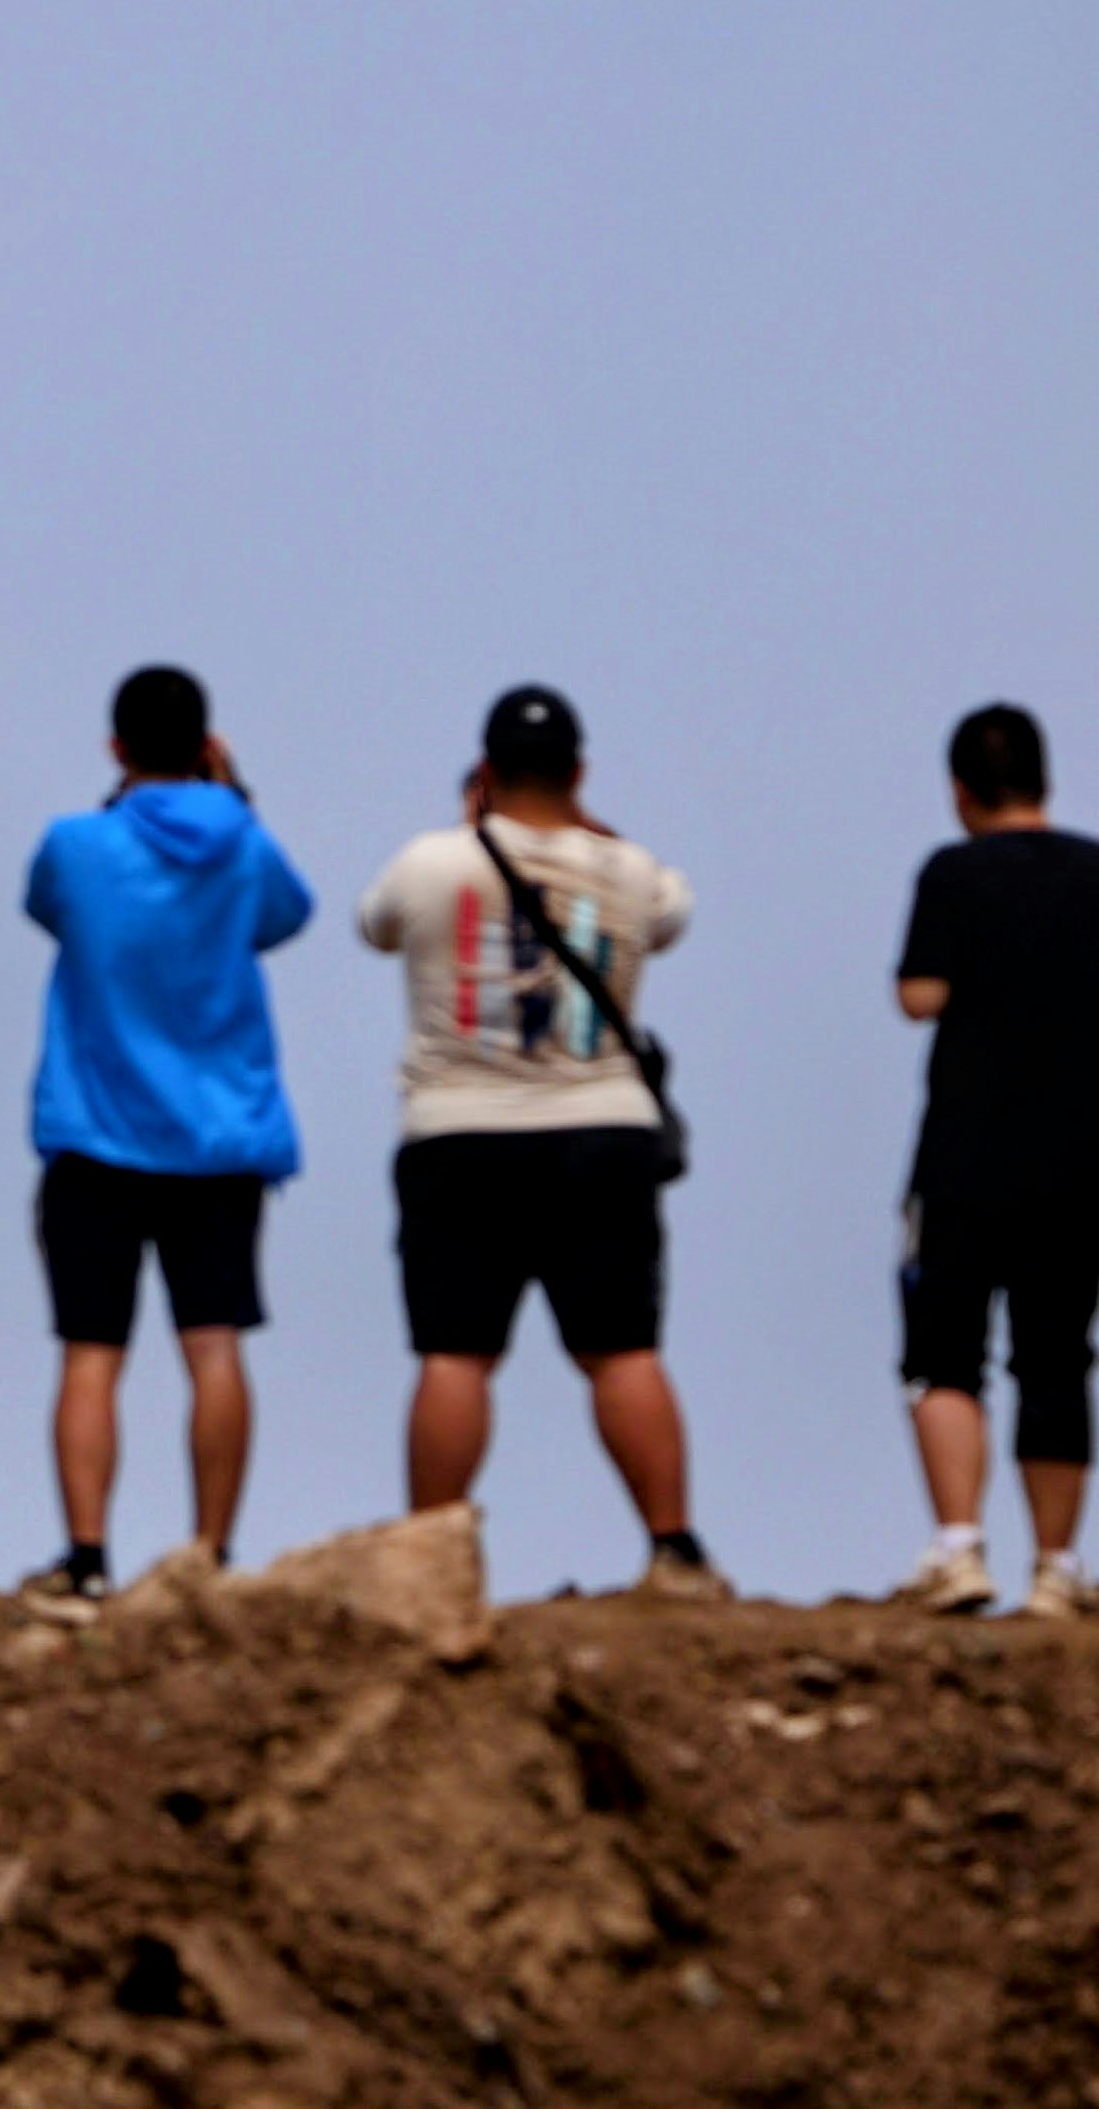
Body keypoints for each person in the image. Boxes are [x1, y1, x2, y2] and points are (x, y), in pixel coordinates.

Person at [352, 686, 725, 1600]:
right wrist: (586, 827)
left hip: (460, 1130)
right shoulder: (629, 870)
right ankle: (673, 1548)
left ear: (483, 771)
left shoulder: (431, 862)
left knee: (455, 1353)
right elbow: (672, 912)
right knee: (622, 1349)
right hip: (600, 1127)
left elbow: (375, 925)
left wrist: (472, 826)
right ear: (580, 771)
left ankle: (429, 1560)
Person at [15, 666, 311, 1618]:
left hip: (98, 1134)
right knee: (215, 1347)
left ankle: (87, 1555)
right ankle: (211, 1550)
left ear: (116, 747)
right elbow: (286, 917)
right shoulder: (246, 848)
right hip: (220, 1140)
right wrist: (232, 802)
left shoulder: (76, 845)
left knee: (91, 1354)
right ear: (208, 742)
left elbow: (45, 905)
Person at [889, 703, 1099, 1619]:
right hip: (1079, 1151)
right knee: (1055, 1357)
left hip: (968, 1147)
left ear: (961, 789)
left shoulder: (952, 871)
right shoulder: (1095, 871)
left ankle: (959, 1546)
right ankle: (1056, 1567)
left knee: (945, 1355)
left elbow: (918, 995)